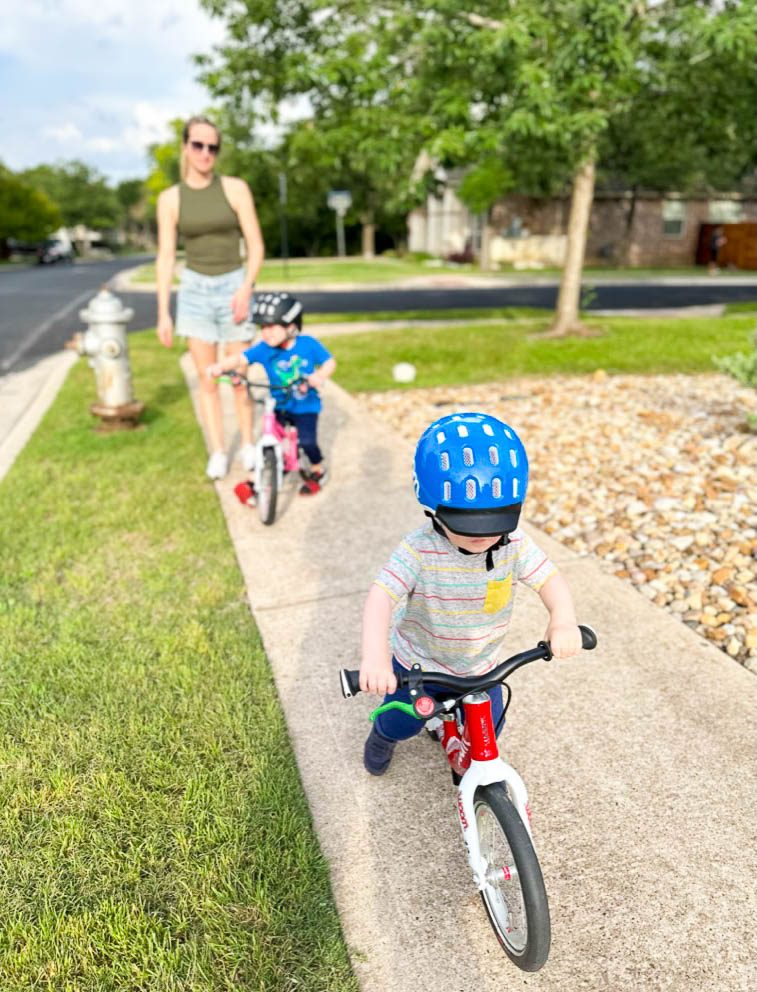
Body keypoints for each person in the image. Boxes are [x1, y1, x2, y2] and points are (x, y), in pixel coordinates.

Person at [359, 412, 582, 776]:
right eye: (464, 523)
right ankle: (382, 737)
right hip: (419, 664)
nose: (481, 535)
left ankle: (464, 754)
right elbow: (381, 596)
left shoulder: (514, 544)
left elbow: (549, 579)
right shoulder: (419, 549)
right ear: (432, 508)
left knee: (491, 728)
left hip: (481, 664)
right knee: (403, 722)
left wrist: (562, 619)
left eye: (495, 523)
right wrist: (376, 659)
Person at [156, 115, 265, 480]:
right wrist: (163, 313)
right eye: (198, 145)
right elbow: (166, 256)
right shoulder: (170, 199)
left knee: (237, 376)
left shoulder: (235, 188)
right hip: (194, 292)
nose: (206, 153)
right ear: (186, 147)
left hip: (234, 286)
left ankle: (248, 443)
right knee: (207, 379)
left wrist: (247, 286)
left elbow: (255, 243)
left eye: (213, 147)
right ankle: (219, 451)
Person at [208, 292, 336, 496]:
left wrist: (319, 376)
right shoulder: (265, 348)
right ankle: (257, 477)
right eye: (263, 327)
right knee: (269, 438)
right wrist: (220, 366)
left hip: (305, 406)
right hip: (279, 404)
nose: (266, 333)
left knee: (307, 441)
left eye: (272, 326)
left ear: (291, 326)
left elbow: (330, 362)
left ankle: (318, 469)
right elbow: (240, 359)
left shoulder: (308, 344)